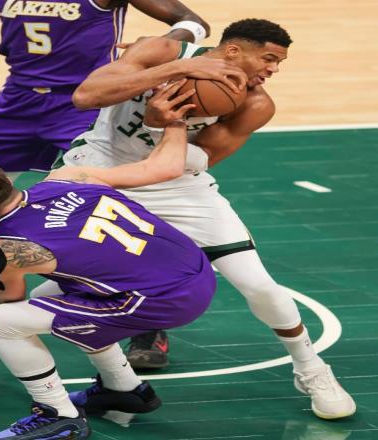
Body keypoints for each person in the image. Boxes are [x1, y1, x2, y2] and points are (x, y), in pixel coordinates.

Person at [58, 18, 356, 420]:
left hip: (176, 184)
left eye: (279, 63)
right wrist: (179, 69)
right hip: (99, 170)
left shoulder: (255, 104)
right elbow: (86, 96)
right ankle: (105, 379)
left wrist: (167, 124)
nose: (273, 70)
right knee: (51, 281)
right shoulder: (162, 52)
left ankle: (312, 369)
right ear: (232, 51)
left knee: (259, 285)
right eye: (268, 58)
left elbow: (204, 158)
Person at [0, 0, 240, 305]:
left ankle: (141, 307)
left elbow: (193, 23)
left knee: (108, 200)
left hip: (83, 103)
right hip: (17, 99)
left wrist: (158, 47)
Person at [0, 116, 216, 439]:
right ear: (5, 181)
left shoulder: (9, 249)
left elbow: (5, 301)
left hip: (163, 300)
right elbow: (155, 169)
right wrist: (174, 124)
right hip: (194, 268)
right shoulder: (70, 177)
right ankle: (124, 388)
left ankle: (57, 416)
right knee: (51, 300)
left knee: (0, 322)